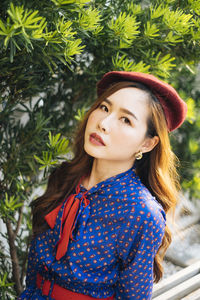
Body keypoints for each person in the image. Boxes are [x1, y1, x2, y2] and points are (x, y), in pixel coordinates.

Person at [18, 71, 187, 300]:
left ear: (147, 143)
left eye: (125, 119)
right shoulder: (66, 176)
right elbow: (34, 269)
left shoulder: (141, 213)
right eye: (104, 108)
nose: (103, 123)